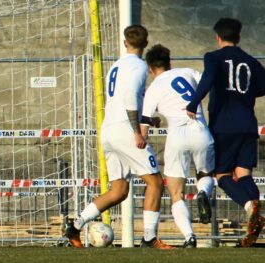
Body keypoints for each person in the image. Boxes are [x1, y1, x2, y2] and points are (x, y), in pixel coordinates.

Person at [65, 25, 173, 249]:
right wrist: (136, 131)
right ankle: (150, 239)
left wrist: (148, 120)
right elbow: (131, 96)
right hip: (126, 130)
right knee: (155, 182)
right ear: (145, 44)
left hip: (109, 130)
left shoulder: (115, 66)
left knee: (119, 191)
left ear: (125, 43)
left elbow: (121, 100)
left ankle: (75, 225)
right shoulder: (139, 67)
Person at [186, 18, 265, 248]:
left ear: (218, 37)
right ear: (238, 37)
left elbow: (209, 78)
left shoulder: (213, 57)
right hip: (248, 124)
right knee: (243, 173)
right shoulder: (250, 61)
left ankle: (251, 209)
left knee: (221, 176)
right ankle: (254, 210)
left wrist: (193, 104)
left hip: (224, 125)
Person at [141, 44, 215, 248]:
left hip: (177, 136)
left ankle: (190, 237)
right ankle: (203, 193)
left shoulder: (153, 89)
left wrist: (142, 142)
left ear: (149, 68)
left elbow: (144, 124)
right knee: (205, 175)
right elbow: (209, 83)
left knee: (176, 193)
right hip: (200, 129)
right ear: (169, 62)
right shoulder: (187, 72)